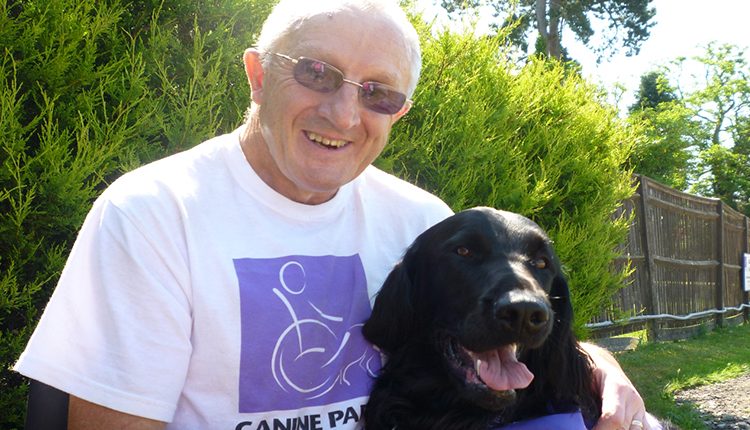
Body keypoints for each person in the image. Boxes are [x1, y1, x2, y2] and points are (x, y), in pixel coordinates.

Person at [15, 0, 653, 429]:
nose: (344, 115)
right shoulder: (154, 216)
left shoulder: (420, 221)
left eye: (378, 93)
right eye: (316, 74)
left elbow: (491, 328)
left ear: (399, 111)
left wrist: (595, 362)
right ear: (258, 74)